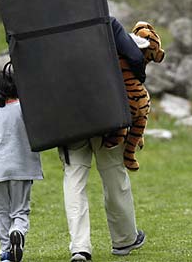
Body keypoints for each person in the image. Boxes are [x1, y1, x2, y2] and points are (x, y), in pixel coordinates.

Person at [60, 17, 146, 262]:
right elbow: (136, 57)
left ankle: (80, 248)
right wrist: (136, 84)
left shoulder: (52, 28)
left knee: (74, 179)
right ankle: (125, 239)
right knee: (113, 175)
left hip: (68, 116)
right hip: (106, 115)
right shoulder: (105, 22)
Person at [0, 63, 43, 262]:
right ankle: (18, 231)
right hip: (23, 169)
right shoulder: (26, 109)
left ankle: (6, 252)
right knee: (20, 210)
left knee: (1, 213)